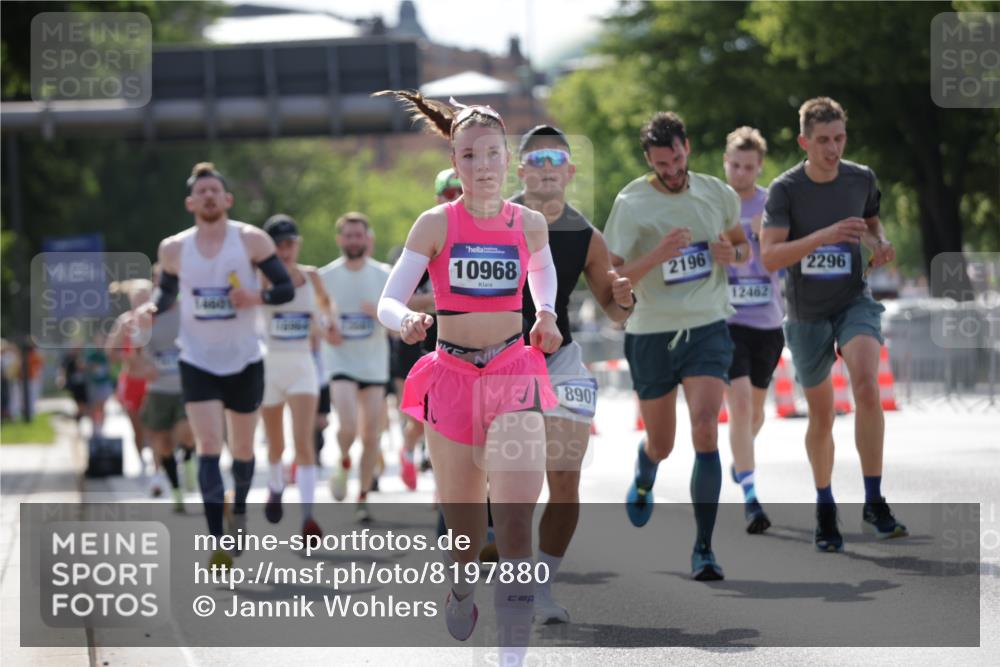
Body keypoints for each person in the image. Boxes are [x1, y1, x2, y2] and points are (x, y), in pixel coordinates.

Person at [375, 89, 561, 665]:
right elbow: (387, 300)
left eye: (491, 155)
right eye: (469, 157)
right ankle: (460, 587)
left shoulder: (528, 222)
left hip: (512, 369)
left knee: (513, 522)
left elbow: (542, 278)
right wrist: (406, 319)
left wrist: (547, 315)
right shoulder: (435, 224)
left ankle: (511, 655)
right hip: (451, 375)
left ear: (508, 159)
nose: (482, 167)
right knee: (464, 533)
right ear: (455, 164)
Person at [606, 111, 750, 582]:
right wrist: (659, 254)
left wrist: (734, 254)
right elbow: (611, 282)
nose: (670, 172)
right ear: (649, 160)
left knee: (706, 428)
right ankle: (646, 469)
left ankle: (704, 549)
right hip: (651, 332)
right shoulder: (631, 203)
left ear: (687, 146)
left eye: (676, 160)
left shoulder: (717, 192)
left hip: (707, 324)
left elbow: (740, 244)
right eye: (660, 165)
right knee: (664, 443)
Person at [759, 97, 907, 551]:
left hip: (852, 299)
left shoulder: (860, 178)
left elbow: (870, 220)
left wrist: (880, 243)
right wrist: (821, 236)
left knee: (866, 384)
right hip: (806, 314)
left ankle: (874, 500)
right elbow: (769, 257)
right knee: (821, 415)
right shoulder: (785, 190)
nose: (833, 148)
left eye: (839, 138)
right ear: (805, 141)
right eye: (823, 140)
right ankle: (825, 504)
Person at [139, 162, 294, 570]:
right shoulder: (174, 248)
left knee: (241, 449)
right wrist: (151, 309)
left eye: (215, 191)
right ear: (191, 202)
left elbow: (285, 287)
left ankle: (238, 507)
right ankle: (218, 542)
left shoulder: (250, 240)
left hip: (244, 358)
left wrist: (255, 299)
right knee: (209, 445)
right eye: (201, 191)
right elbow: (166, 290)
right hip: (197, 360)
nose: (208, 196)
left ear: (228, 199)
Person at [512, 124, 635, 622]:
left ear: (570, 171)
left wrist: (625, 296)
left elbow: (615, 311)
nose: (545, 169)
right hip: (498, 360)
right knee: (511, 484)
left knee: (564, 479)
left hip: (559, 359)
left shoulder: (586, 234)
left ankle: (538, 589)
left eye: (554, 159)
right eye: (536, 160)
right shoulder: (494, 221)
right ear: (519, 171)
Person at [259, 214, 341, 539]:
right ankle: (276, 483)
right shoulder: (259, 278)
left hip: (303, 367)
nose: (284, 250)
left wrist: (327, 323)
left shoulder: (310, 276)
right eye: (278, 245)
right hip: (269, 369)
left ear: (297, 244)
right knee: (276, 446)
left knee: (303, 442)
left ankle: (307, 517)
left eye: (290, 243)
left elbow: (326, 304)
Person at [721, 126, 786, 534]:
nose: (741, 173)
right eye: (735, 165)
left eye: (749, 166)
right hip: (727, 321)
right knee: (741, 407)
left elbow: (786, 257)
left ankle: (740, 458)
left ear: (760, 166)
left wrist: (766, 235)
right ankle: (750, 497)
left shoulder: (773, 204)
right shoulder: (714, 204)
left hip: (768, 321)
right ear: (725, 163)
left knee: (756, 413)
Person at [319, 212, 391, 523]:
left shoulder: (384, 275)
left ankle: (362, 497)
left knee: (371, 435)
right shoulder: (325, 277)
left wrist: (380, 314)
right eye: (348, 235)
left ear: (367, 239)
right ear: (340, 240)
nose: (353, 241)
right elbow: (315, 315)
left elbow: (399, 324)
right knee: (347, 426)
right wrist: (327, 329)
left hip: (374, 363)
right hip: (340, 361)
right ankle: (343, 459)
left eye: (358, 235)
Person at [129, 267, 194, 513]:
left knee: (186, 433)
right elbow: (134, 351)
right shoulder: (146, 315)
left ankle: (189, 458)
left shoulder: (188, 309)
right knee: (162, 444)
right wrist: (144, 366)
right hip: (158, 389)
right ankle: (176, 490)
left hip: (185, 386)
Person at [107, 280, 156, 486]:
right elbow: (110, 351)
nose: (141, 301)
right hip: (132, 381)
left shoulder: (158, 319)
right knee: (137, 426)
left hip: (153, 381)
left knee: (154, 425)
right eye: (138, 297)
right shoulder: (125, 321)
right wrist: (126, 357)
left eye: (145, 296)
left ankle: (158, 464)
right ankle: (142, 462)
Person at [59, 346, 89, 423]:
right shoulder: (70, 359)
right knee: (79, 405)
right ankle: (76, 419)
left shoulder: (84, 357)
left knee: (83, 406)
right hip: (76, 386)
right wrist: (62, 380)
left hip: (83, 386)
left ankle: (76, 418)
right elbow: (64, 370)